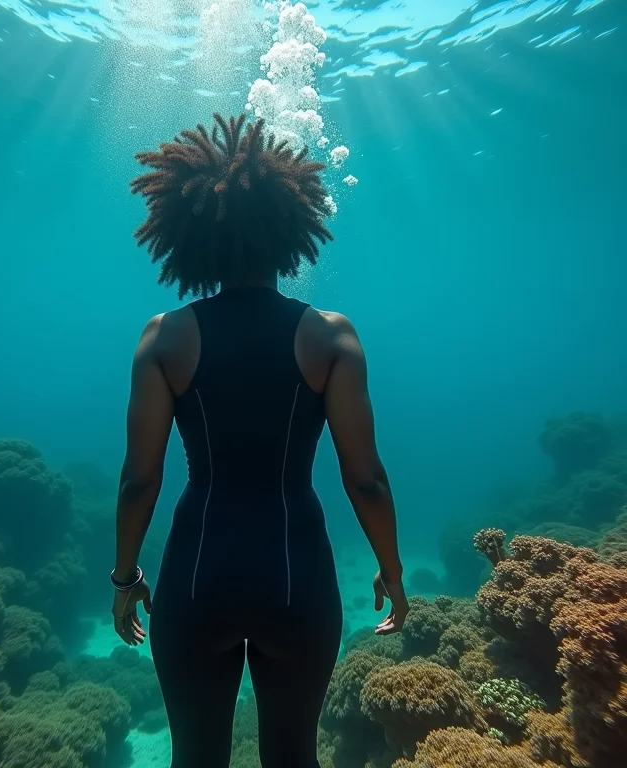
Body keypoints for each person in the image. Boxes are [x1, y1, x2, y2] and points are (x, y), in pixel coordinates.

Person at [110, 113, 409, 768]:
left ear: (190, 238)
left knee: (195, 757)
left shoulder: (164, 337)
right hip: (296, 579)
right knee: (293, 756)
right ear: (291, 233)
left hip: (195, 578)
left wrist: (126, 575)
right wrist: (391, 566)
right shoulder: (332, 337)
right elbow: (366, 479)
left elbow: (140, 481)